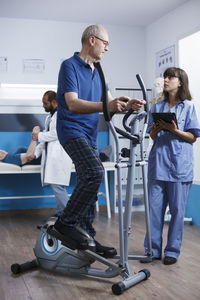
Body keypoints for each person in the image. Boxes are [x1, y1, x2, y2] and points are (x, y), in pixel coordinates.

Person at [52, 24, 146, 257]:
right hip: (71, 130)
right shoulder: (69, 66)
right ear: (92, 40)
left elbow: (108, 108)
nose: (107, 48)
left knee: (91, 184)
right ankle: (64, 224)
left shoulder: (100, 71)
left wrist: (126, 107)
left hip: (89, 133)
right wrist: (109, 105)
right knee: (95, 172)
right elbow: (72, 103)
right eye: (106, 43)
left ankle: (87, 239)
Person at [143, 67, 200, 265]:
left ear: (180, 82)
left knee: (177, 211)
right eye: (165, 77)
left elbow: (193, 137)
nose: (166, 80)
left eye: (170, 77)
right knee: (154, 210)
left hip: (179, 166)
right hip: (158, 163)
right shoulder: (156, 107)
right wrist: (157, 130)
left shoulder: (189, 107)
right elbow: (151, 135)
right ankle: (152, 250)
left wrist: (174, 130)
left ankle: (172, 252)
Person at [32, 90, 72, 217]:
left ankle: (67, 216)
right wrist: (35, 154)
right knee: (57, 187)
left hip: (60, 156)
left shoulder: (62, 115)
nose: (43, 105)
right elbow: (44, 141)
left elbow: (56, 134)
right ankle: (62, 213)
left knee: (58, 187)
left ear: (54, 102)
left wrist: (39, 135)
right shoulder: (49, 117)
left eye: (45, 103)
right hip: (52, 157)